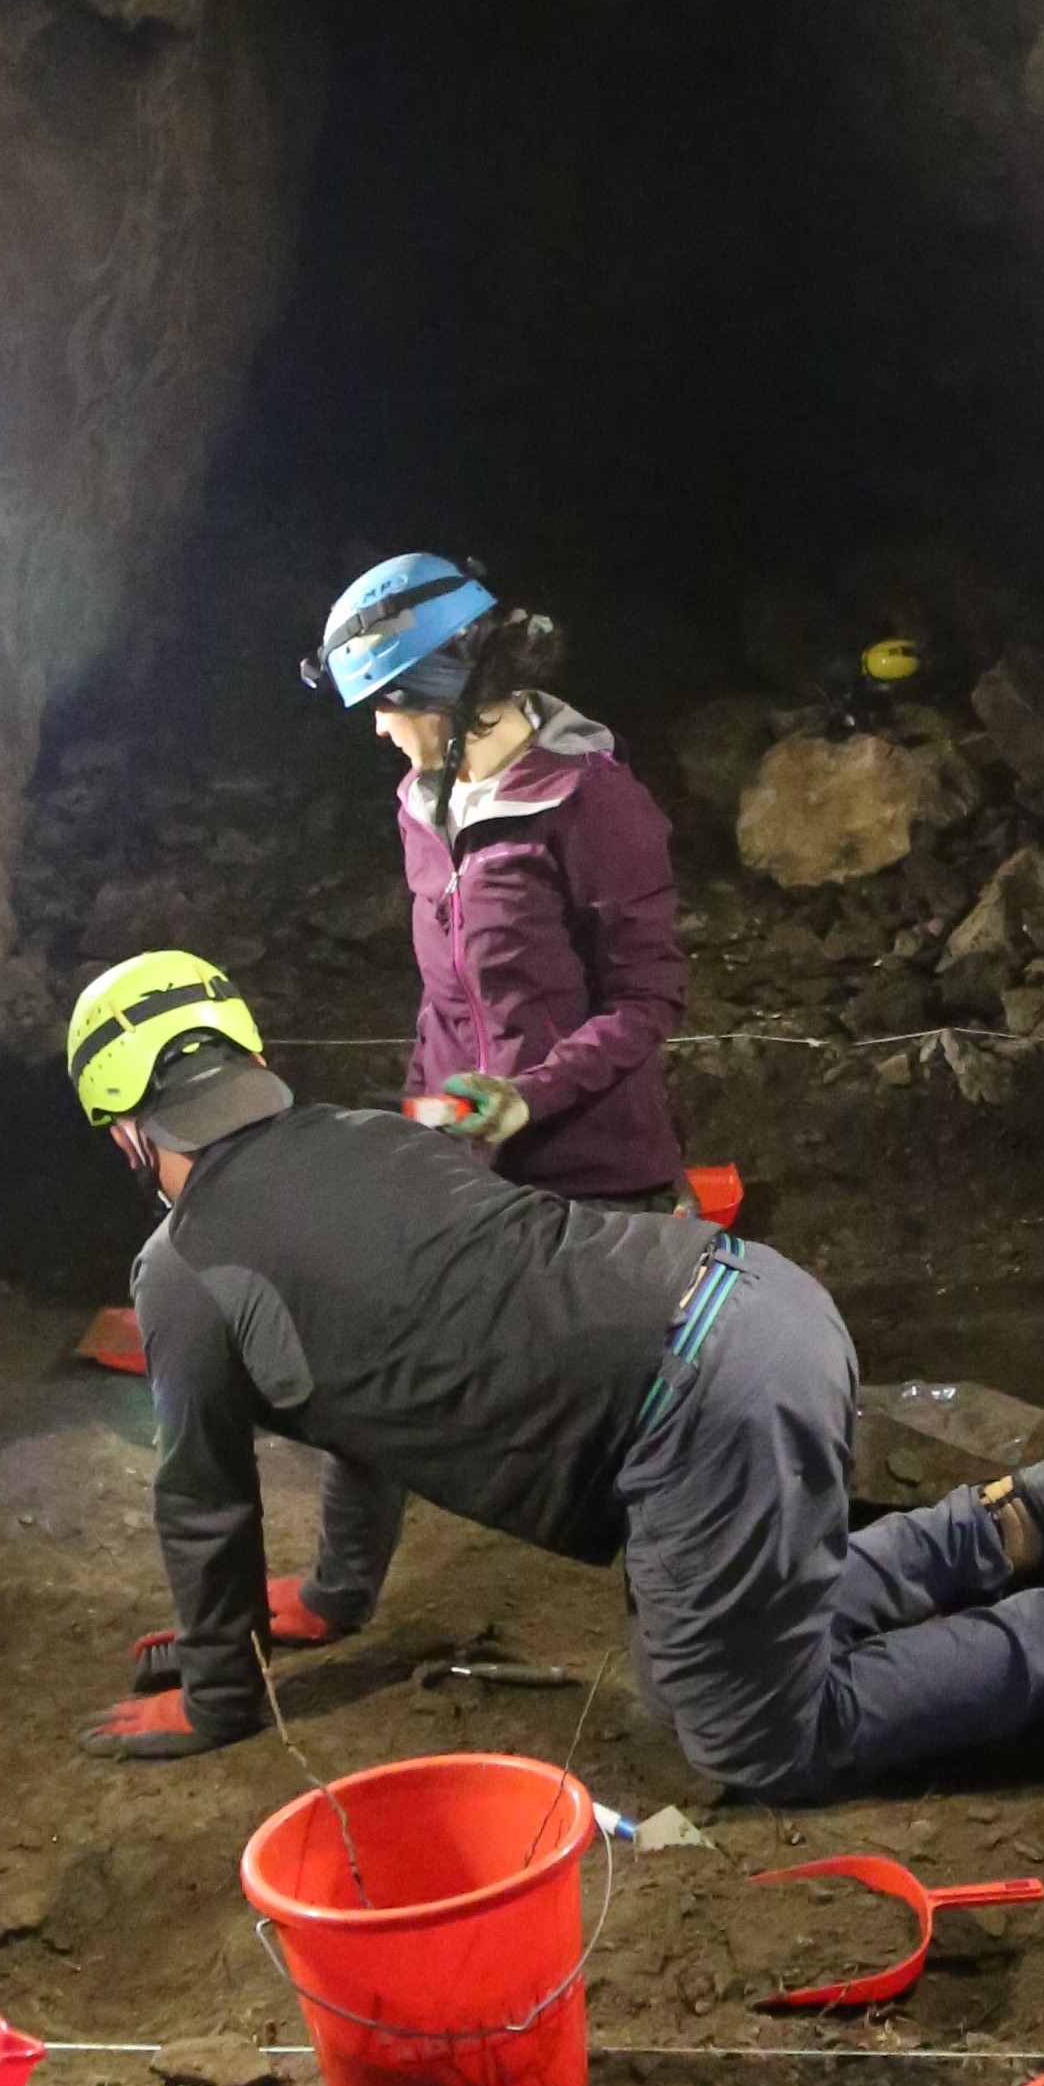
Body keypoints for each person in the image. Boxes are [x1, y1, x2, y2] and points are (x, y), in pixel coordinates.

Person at [61, 948, 1044, 1781]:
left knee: (749, 1732)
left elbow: (203, 1501)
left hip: (695, 1412)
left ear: (126, 1133)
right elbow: (369, 1411)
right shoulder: (375, 1138)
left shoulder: (183, 1266)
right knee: (711, 1644)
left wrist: (219, 1697)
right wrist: (332, 1599)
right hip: (760, 1301)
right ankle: (1022, 1519)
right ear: (252, 1059)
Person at [265, 548, 695, 1646]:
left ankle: (691, 1638)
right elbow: (442, 991)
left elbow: (649, 1001)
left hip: (598, 1171)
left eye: (386, 706)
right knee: (368, 1342)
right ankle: (335, 1594)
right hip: (461, 1146)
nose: (376, 731)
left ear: (444, 696)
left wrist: (525, 1097)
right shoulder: (423, 802)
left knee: (652, 1411)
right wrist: (426, 1113)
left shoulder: (592, 802)